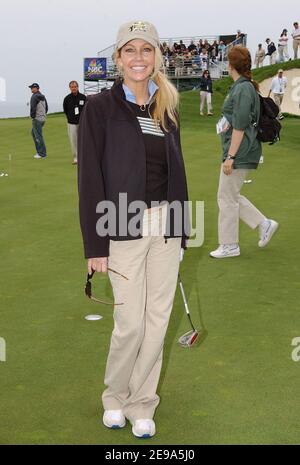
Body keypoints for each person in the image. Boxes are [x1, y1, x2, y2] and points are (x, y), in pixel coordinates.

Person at [78, 20, 189, 439]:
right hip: (120, 224)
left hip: (166, 225)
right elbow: (90, 178)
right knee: (130, 324)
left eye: (146, 50)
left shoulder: (168, 105)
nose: (138, 58)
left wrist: (181, 232)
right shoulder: (100, 108)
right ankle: (114, 397)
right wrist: (95, 243)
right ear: (118, 58)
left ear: (157, 56)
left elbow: (177, 173)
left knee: (158, 322)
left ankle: (143, 402)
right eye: (130, 50)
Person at [210, 46, 278, 259]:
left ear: (231, 65)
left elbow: (239, 126)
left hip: (240, 151)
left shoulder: (242, 89)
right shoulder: (242, 87)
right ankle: (264, 224)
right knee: (230, 195)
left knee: (226, 198)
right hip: (242, 149)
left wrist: (230, 157)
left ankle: (230, 245)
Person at [63, 81, 86, 165]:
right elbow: (65, 110)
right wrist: (69, 117)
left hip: (82, 123)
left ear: (77, 87)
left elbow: (86, 109)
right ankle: (76, 158)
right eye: (72, 87)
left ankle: (83, 157)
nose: (73, 88)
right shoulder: (67, 98)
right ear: (70, 88)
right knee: (73, 141)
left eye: (75, 86)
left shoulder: (83, 97)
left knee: (82, 140)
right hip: (71, 123)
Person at [29, 83, 48, 159]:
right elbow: (46, 108)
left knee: (38, 136)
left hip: (37, 119)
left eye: (33, 88)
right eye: (31, 88)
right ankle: (40, 152)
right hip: (43, 119)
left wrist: (33, 116)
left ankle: (42, 154)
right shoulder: (42, 96)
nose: (31, 89)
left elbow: (33, 108)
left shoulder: (34, 96)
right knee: (33, 133)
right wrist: (43, 115)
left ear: (37, 88)